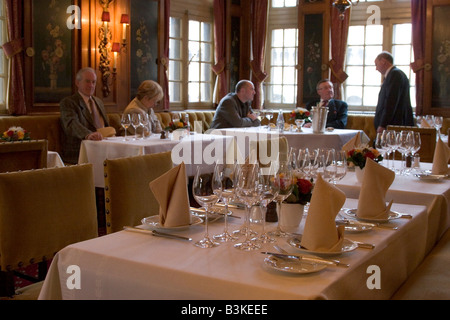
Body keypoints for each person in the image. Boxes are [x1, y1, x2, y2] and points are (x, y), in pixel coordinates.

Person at [60, 67, 109, 164]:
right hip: (80, 151)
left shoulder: (98, 102)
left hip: (104, 147)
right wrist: (88, 134)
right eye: (87, 81)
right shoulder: (69, 102)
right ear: (77, 83)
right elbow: (71, 123)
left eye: (93, 82)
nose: (91, 85)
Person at [374, 51, 414, 133]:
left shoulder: (395, 74)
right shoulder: (396, 74)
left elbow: (391, 101)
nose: (376, 68)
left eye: (376, 64)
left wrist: (383, 124)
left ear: (383, 61)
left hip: (393, 126)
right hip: (394, 124)